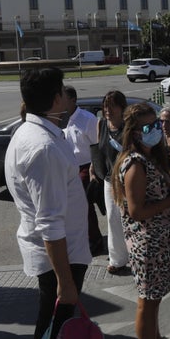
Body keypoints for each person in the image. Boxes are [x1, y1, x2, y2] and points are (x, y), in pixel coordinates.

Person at [3, 67, 103, 339]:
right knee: (57, 335)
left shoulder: (40, 133)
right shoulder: (42, 146)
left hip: (64, 253)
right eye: (62, 91)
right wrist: (66, 282)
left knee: (54, 329)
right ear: (56, 98)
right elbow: (49, 223)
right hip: (59, 259)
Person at [112, 103, 170, 339]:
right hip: (146, 245)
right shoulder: (134, 164)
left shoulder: (149, 158)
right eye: (149, 127)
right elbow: (137, 211)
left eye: (157, 124)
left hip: (158, 241)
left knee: (154, 299)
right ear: (134, 133)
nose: (156, 130)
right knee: (147, 302)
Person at [60, 85, 104, 258]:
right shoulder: (61, 119)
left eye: (63, 98)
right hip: (69, 168)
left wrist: (94, 170)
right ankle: (84, 238)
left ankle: (95, 240)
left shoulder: (87, 119)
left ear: (73, 100)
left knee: (85, 205)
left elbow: (97, 146)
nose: (60, 101)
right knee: (75, 208)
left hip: (86, 167)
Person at [91, 91, 131, 275]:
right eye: (105, 106)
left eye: (112, 106)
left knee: (130, 218)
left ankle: (136, 255)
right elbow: (99, 149)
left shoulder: (129, 126)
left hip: (128, 179)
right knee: (113, 219)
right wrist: (94, 167)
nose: (107, 110)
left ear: (122, 107)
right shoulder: (101, 124)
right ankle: (117, 259)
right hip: (109, 180)